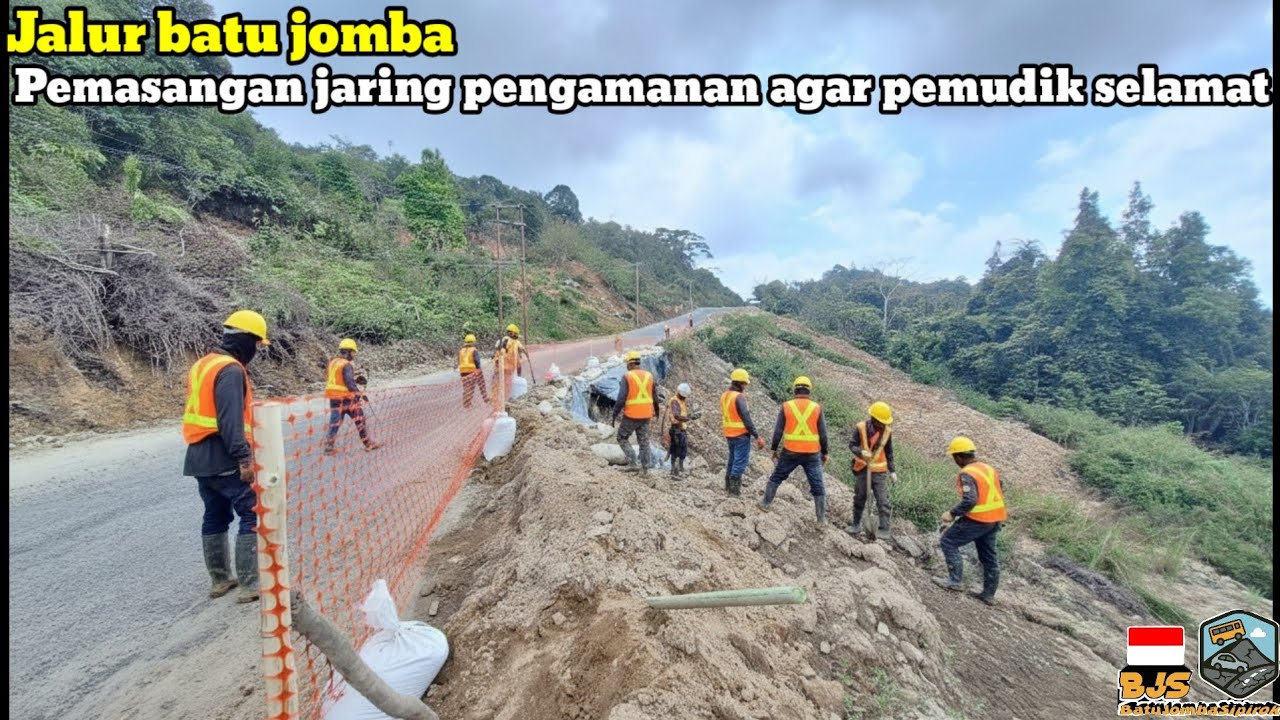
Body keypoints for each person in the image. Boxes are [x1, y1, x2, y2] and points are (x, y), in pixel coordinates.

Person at [182, 310, 269, 604]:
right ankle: (249, 584)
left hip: (198, 457)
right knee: (251, 512)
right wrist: (244, 459)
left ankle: (220, 580)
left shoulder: (203, 364)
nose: (256, 351)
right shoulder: (231, 370)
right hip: (224, 455)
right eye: (257, 344)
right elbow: (230, 419)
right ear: (246, 340)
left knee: (215, 515)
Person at [933, 436, 1007, 605]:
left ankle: (954, 581)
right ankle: (988, 595)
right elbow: (1000, 487)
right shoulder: (988, 468)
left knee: (948, 541)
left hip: (979, 519)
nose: (955, 461)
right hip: (995, 519)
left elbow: (970, 500)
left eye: (954, 457)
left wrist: (952, 513)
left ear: (959, 456)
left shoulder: (967, 473)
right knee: (989, 557)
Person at [760, 376, 829, 528]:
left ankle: (765, 504)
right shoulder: (816, 408)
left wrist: (773, 449)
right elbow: (823, 434)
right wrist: (825, 452)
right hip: (812, 453)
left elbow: (778, 430)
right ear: (809, 390)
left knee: (777, 477)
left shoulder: (786, 406)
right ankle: (820, 520)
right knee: (817, 485)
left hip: (790, 452)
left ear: (795, 389)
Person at [321, 338, 384, 455]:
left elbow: (333, 378)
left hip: (334, 398)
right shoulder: (346, 364)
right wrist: (359, 395)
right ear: (349, 351)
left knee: (335, 421)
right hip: (346, 398)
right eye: (353, 352)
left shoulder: (332, 362)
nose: (354, 355)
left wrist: (354, 381)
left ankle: (328, 447)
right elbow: (349, 383)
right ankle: (368, 443)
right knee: (360, 419)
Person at [846, 401, 898, 540]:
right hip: (863, 469)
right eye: (882, 422)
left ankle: (884, 529)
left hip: (879, 471)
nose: (884, 425)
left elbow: (889, 452)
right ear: (874, 420)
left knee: (882, 500)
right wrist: (861, 452)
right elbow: (852, 445)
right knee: (860, 497)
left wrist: (892, 471)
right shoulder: (860, 428)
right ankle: (856, 525)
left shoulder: (887, 432)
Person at [611, 350, 661, 474]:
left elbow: (621, 398)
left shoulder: (627, 376)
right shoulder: (649, 375)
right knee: (643, 440)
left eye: (627, 363)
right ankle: (645, 468)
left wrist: (614, 414)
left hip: (632, 415)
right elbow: (655, 396)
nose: (626, 366)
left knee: (622, 437)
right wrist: (657, 411)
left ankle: (633, 463)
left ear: (630, 363)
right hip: (646, 414)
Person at [720, 368, 765, 496]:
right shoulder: (738, 397)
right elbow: (746, 417)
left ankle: (728, 486)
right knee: (739, 462)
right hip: (740, 435)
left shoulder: (725, 395)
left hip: (729, 433)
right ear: (740, 383)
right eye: (745, 383)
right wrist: (757, 436)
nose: (745, 386)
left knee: (732, 459)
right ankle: (734, 492)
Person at [667, 382, 700, 479]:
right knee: (676, 450)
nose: (685, 398)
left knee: (683, 450)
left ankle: (680, 468)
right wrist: (689, 418)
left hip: (681, 429)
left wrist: (690, 417)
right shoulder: (675, 401)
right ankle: (674, 470)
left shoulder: (681, 401)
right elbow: (677, 415)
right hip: (676, 429)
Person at [458, 333, 490, 408]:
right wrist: (479, 369)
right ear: (473, 342)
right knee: (471, 387)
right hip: (472, 371)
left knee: (466, 387)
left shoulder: (461, 350)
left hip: (463, 372)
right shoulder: (474, 350)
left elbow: (459, 361)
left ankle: (466, 403)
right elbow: (477, 361)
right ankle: (469, 404)